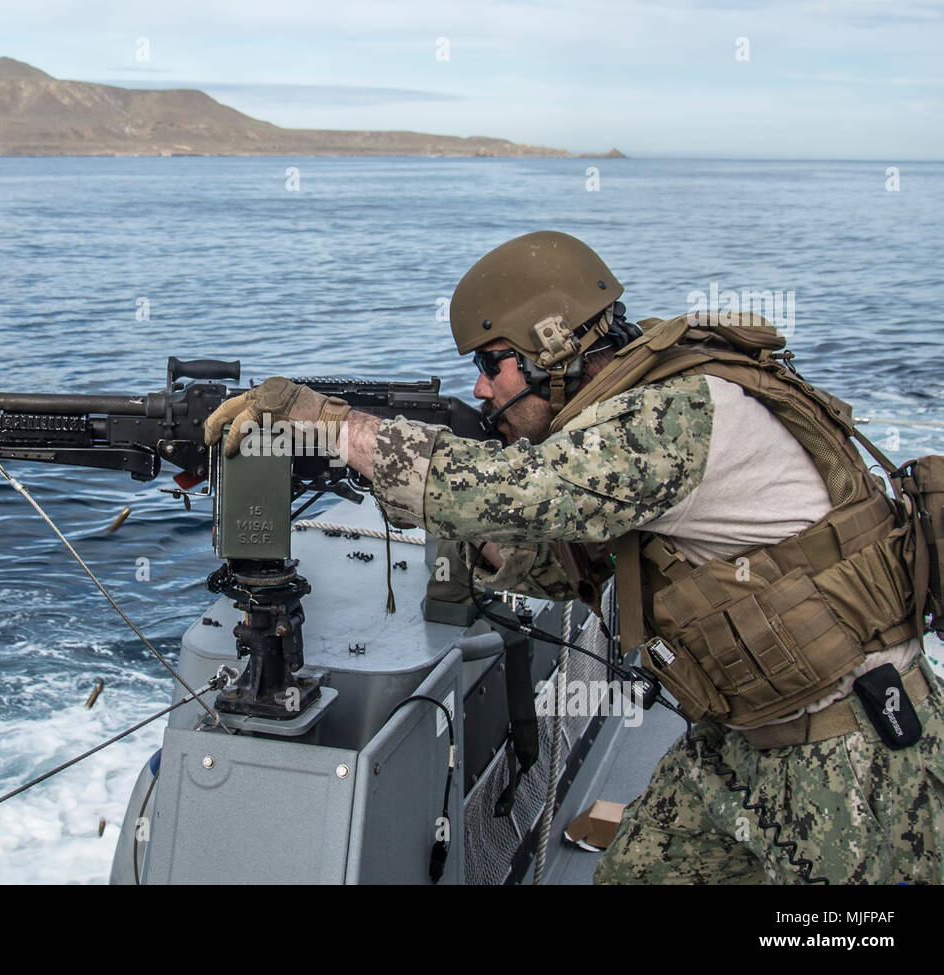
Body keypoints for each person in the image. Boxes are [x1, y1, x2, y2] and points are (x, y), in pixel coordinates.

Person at [204, 230, 944, 884]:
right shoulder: (632, 411)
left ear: (554, 348)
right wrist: (479, 539)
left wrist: (330, 424)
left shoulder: (673, 411)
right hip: (743, 740)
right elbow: (588, 562)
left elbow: (522, 491)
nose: (480, 387)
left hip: (856, 750)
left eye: (493, 364)